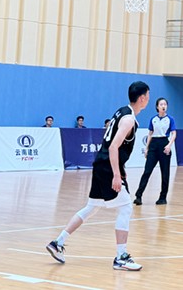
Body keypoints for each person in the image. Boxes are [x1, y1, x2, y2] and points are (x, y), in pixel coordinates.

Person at [46, 81, 150, 271]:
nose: (149, 99)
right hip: (108, 168)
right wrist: (116, 174)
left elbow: (109, 143)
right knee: (126, 207)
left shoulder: (121, 112)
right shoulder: (128, 119)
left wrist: (120, 167)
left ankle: (58, 242)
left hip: (101, 164)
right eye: (148, 96)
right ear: (142, 98)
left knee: (92, 207)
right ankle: (121, 257)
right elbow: (113, 146)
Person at [134, 97, 177, 206]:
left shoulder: (170, 119)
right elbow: (150, 134)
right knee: (147, 171)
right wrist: (147, 148)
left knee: (165, 173)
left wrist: (169, 145)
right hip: (153, 145)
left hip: (164, 144)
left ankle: (163, 197)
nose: (163, 106)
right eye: (161, 104)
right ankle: (138, 196)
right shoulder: (153, 119)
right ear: (157, 107)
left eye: (165, 104)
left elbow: (174, 134)